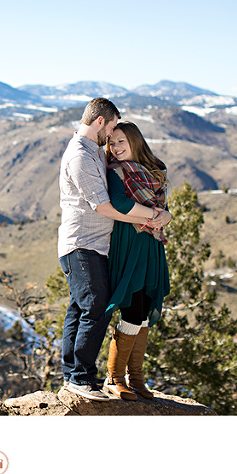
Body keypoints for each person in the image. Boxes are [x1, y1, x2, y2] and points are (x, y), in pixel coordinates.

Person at [58, 98, 167, 401]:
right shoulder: (80, 155)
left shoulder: (92, 152)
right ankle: (80, 379)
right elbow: (105, 207)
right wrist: (151, 216)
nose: (115, 135)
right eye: (114, 126)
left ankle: (73, 376)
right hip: (82, 244)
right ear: (101, 122)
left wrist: (159, 215)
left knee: (80, 309)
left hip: (92, 245)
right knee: (95, 307)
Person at [103, 120, 171, 400]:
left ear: (135, 142)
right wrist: (156, 216)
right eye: (112, 143)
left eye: (121, 142)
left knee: (142, 310)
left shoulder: (154, 172)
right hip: (129, 244)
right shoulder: (115, 172)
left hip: (150, 245)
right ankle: (114, 377)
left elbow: (164, 207)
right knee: (131, 308)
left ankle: (136, 380)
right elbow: (120, 204)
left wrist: (165, 215)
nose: (116, 148)